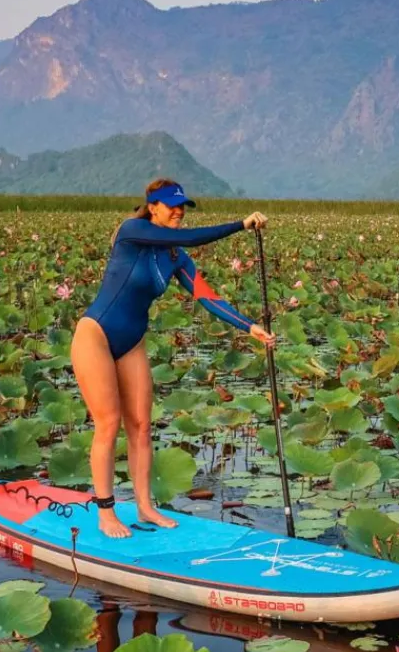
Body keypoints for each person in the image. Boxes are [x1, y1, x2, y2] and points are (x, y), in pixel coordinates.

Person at [71, 177, 275, 539]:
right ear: (153, 207)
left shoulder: (176, 258)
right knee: (109, 422)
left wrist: (250, 327)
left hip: (131, 342)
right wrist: (240, 225)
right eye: (171, 205)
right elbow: (189, 237)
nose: (179, 211)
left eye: (183, 206)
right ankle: (105, 511)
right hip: (95, 336)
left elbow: (208, 297)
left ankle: (145, 507)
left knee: (142, 426)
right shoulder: (132, 230)